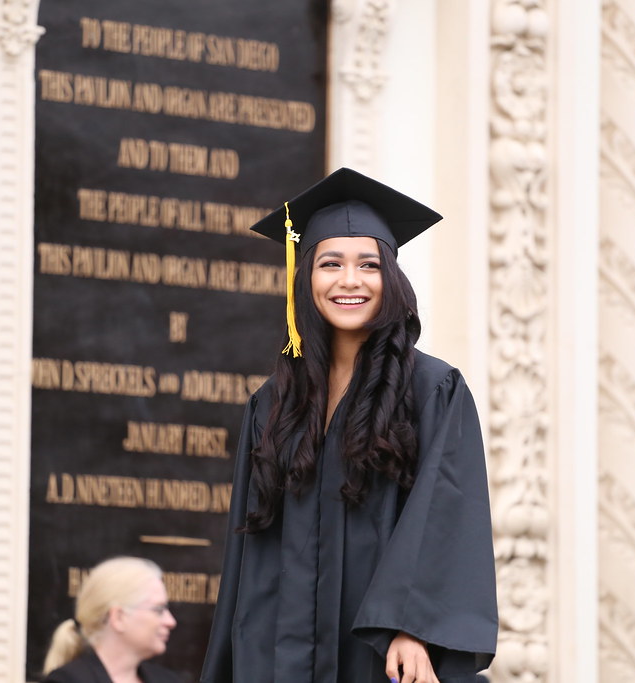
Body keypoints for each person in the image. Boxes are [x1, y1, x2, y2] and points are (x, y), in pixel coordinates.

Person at [201, 168, 498, 683]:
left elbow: (445, 513)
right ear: (306, 278)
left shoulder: (432, 388)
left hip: (379, 651)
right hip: (279, 651)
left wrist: (411, 628)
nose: (349, 281)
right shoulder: (273, 403)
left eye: (368, 265)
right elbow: (247, 549)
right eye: (330, 263)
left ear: (392, 279)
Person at [41, 556, 180, 683]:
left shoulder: (167, 680)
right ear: (118, 617)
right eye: (158, 610)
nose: (170, 621)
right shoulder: (67, 681)